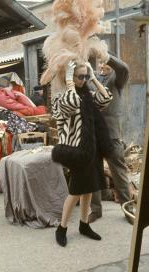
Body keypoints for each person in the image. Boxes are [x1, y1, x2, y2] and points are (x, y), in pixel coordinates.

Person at [51, 61, 114, 247]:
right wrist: (70, 82)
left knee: (89, 188)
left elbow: (106, 98)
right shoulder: (60, 98)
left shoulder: (88, 95)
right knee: (76, 191)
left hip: (93, 149)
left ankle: (84, 225)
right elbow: (71, 104)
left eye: (85, 76)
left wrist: (94, 78)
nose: (83, 80)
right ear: (69, 77)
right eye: (81, 76)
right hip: (77, 151)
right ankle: (61, 228)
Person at [88, 55, 132, 223]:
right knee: (94, 173)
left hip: (111, 135)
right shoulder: (92, 78)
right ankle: (96, 210)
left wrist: (107, 56)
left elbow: (124, 68)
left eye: (105, 62)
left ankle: (128, 209)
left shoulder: (117, 79)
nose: (102, 64)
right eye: (100, 62)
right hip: (93, 134)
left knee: (119, 173)